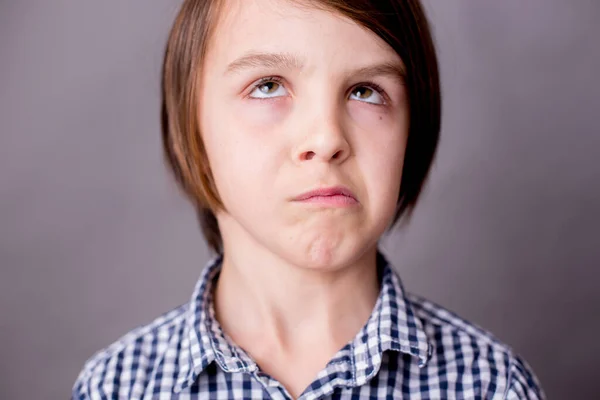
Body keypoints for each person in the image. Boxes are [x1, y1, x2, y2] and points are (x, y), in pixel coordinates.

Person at [72, 0, 546, 398]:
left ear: (411, 134)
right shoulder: (116, 388)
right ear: (192, 125)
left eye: (365, 91)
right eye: (268, 85)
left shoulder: (491, 386)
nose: (325, 137)